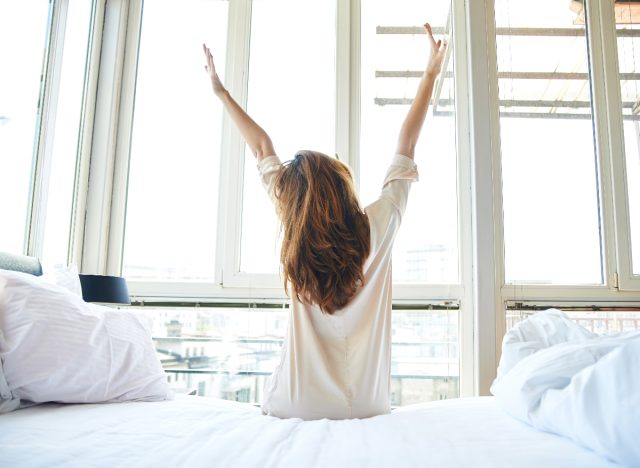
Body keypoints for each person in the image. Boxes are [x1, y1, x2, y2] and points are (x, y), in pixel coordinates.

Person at [202, 23, 446, 420]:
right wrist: (431, 74)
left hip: (298, 404)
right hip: (366, 404)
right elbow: (407, 143)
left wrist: (221, 92)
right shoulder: (378, 225)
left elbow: (262, 147)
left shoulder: (295, 227)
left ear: (295, 200)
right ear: (342, 183)